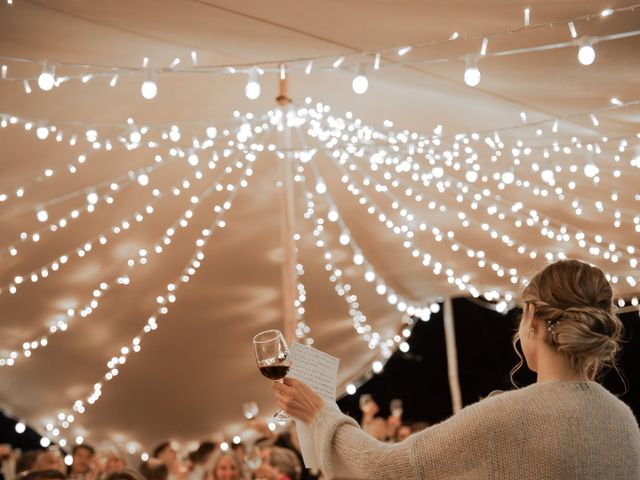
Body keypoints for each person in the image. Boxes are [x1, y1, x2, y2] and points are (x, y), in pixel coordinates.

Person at [272, 260, 640, 478]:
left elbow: (386, 470)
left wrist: (321, 414)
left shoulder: (506, 416)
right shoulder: (623, 421)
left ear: (534, 323)